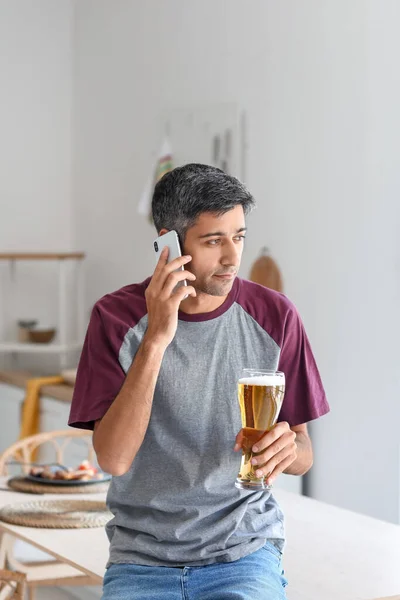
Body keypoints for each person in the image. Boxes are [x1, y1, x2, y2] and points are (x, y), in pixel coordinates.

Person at [69, 163, 330, 600]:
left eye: (239, 236)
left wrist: (289, 449)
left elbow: (304, 454)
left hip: (243, 554)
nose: (232, 257)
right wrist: (156, 337)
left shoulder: (276, 316)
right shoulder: (115, 319)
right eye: (214, 241)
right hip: (142, 560)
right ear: (169, 244)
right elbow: (113, 459)